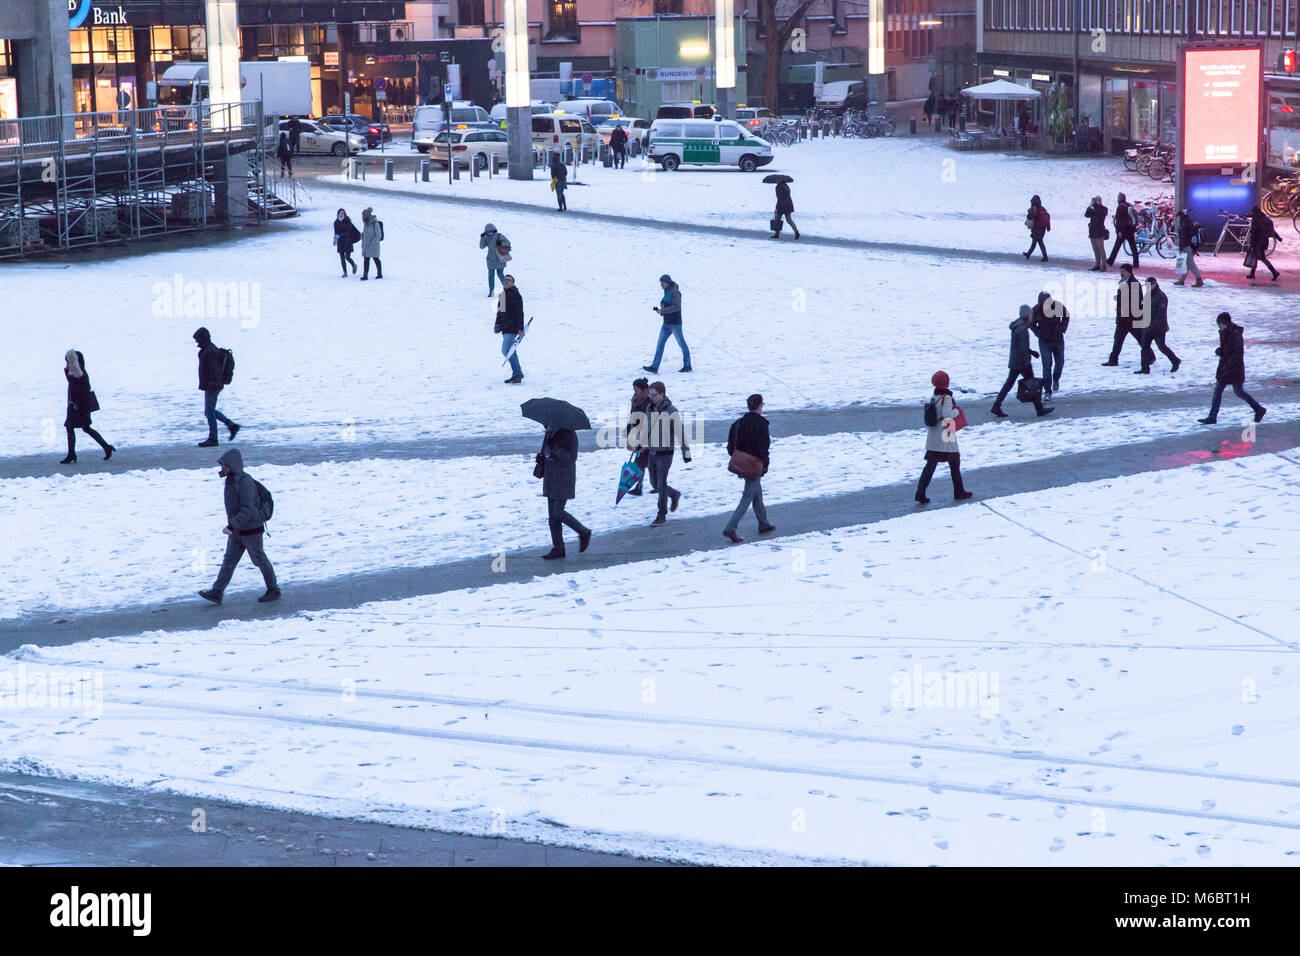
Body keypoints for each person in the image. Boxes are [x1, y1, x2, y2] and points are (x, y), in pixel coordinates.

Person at [198, 449, 279, 605]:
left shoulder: (245, 482)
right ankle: (217, 592)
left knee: (259, 560)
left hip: (251, 530)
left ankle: (273, 589)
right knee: (229, 561)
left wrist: (231, 525)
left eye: (224, 465)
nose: (222, 469)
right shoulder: (231, 480)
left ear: (232, 465)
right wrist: (234, 527)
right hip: (237, 531)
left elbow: (249, 509)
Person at [722, 394, 775, 543]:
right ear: (760, 406)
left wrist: (738, 459)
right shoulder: (762, 424)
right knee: (747, 496)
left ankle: (763, 523)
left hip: (741, 464)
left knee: (756, 492)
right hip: (755, 465)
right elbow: (764, 448)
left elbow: (730, 445)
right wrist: (765, 465)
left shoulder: (738, 423)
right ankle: (730, 527)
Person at [1199, 312, 1266, 425]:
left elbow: (1237, 353)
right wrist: (1220, 350)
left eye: (1220, 324)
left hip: (1234, 369)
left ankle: (1258, 409)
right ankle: (1212, 416)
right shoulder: (1225, 332)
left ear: (1225, 323)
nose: (1219, 327)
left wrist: (1227, 366)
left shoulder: (1236, 334)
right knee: (1218, 391)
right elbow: (1227, 349)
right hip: (1226, 367)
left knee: (1239, 392)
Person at [916, 370, 973, 504]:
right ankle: (959, 492)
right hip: (946, 432)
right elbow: (947, 414)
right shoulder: (946, 398)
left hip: (934, 434)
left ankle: (920, 493)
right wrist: (957, 411)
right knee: (954, 462)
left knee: (930, 465)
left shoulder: (934, 396)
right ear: (946, 383)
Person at [537, 427, 591, 560]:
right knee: (552, 517)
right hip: (551, 477)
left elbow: (572, 456)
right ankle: (558, 547)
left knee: (557, 512)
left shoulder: (570, 434)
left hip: (563, 478)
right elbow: (547, 453)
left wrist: (554, 448)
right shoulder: (549, 434)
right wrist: (541, 457)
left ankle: (583, 531)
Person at [991, 305, 1053, 418]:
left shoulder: (1018, 326)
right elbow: (1022, 348)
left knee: (1009, 384)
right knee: (1033, 384)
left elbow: (1021, 346)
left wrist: (1031, 352)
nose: (1031, 317)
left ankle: (996, 405)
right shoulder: (1023, 330)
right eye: (1031, 315)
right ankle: (1039, 409)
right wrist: (1028, 359)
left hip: (1016, 361)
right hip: (1022, 362)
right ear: (1027, 316)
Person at [645, 381, 692, 526]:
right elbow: (647, 428)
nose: (651, 397)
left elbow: (680, 432)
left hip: (665, 453)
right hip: (651, 451)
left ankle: (661, 514)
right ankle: (674, 494)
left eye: (654, 395)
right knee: (655, 484)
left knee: (661, 483)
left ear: (662, 394)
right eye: (650, 395)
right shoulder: (649, 408)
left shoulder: (671, 411)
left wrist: (686, 452)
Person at [59, 349, 114, 464]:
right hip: (75, 406)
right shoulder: (75, 374)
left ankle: (72, 454)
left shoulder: (79, 375)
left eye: (68, 362)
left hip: (79, 407)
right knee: (82, 428)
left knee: (76, 427)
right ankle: (105, 447)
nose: (67, 364)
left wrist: (77, 406)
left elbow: (80, 391)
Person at [193, 326, 239, 448]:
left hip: (213, 385)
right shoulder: (207, 350)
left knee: (209, 411)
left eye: (197, 340)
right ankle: (231, 426)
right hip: (212, 384)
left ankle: (213, 438)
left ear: (203, 339)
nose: (196, 342)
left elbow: (215, 370)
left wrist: (212, 384)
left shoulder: (210, 351)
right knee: (210, 411)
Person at [643, 274, 692, 373]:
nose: (661, 285)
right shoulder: (666, 291)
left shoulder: (675, 292)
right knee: (660, 345)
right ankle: (654, 367)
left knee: (682, 344)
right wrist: (660, 310)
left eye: (662, 283)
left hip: (675, 324)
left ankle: (687, 365)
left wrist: (663, 311)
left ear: (667, 282)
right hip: (666, 323)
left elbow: (677, 307)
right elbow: (664, 302)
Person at [1102, 263, 1144, 367]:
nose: (1121, 273)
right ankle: (1113, 360)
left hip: (1131, 318)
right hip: (1123, 318)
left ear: (1129, 272)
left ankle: (1150, 356)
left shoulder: (1134, 284)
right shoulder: (1123, 282)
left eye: (1123, 271)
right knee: (1118, 339)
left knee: (1140, 339)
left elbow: (1136, 301)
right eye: (1121, 271)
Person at [1029, 290, 1069, 399]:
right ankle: (1048, 391)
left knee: (1060, 362)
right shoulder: (1036, 310)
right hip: (1044, 342)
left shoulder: (1057, 306)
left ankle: (1056, 378)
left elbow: (1066, 316)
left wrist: (1062, 328)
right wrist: (1038, 333)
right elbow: (1031, 324)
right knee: (1047, 365)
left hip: (1058, 340)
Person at [1137, 277, 1179, 374]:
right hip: (1147, 326)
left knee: (1161, 346)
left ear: (1154, 284)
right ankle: (1145, 368)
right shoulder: (1148, 295)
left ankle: (1175, 360)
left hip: (1158, 328)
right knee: (1144, 348)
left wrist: (1152, 326)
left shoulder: (1161, 296)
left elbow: (1161, 314)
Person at [625, 377, 652, 496]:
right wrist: (633, 404)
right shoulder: (638, 402)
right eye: (634, 390)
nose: (634, 393)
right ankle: (642, 486)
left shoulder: (650, 403)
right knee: (644, 462)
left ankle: (643, 486)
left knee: (642, 462)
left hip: (648, 438)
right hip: (640, 437)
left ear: (645, 391)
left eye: (636, 391)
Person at [495, 274, 525, 384]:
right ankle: (517, 373)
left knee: (506, 351)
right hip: (505, 328)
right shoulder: (502, 295)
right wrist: (497, 325)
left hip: (512, 328)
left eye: (509, 280)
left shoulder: (515, 295)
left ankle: (517, 373)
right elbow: (500, 312)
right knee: (512, 351)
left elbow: (519, 312)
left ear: (513, 283)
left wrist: (520, 329)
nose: (506, 281)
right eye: (505, 280)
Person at [1245, 205, 1281, 281]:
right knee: (1254, 256)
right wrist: (1278, 237)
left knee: (1262, 258)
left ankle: (1274, 272)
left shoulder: (1255, 220)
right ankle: (1252, 274)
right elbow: (1271, 230)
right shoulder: (1264, 218)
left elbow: (1253, 232)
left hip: (1257, 242)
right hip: (1264, 241)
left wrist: (1251, 244)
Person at [1107, 191, 1139, 268]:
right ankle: (1136, 263)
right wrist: (1133, 228)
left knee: (1116, 246)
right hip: (1130, 229)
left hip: (1123, 230)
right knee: (1133, 247)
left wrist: (1119, 231)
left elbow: (1119, 220)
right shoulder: (1129, 205)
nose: (1117, 199)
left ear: (1120, 199)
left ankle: (1110, 261)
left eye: (1118, 197)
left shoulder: (1121, 206)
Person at [1174, 209, 1204, 287]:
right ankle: (1182, 280)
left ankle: (1199, 279)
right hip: (1191, 246)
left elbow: (1183, 237)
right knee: (1187, 263)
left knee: (1190, 263)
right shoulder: (1189, 222)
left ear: (1180, 216)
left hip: (1186, 246)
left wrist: (1181, 248)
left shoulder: (1183, 224)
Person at [479, 223, 511, 296]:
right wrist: (482, 238)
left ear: (494, 230)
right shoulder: (486, 238)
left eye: (491, 231)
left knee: (500, 274)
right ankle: (491, 292)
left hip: (500, 259)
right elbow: (481, 247)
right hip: (491, 260)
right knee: (491, 276)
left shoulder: (499, 236)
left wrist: (501, 242)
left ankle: (508, 289)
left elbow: (508, 243)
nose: (490, 233)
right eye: (488, 232)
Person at [1085, 195, 1109, 272]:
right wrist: (1090, 206)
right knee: (1095, 249)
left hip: (1099, 231)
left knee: (1101, 249)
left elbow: (1100, 214)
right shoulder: (1093, 209)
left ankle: (1104, 266)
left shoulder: (1104, 209)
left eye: (1095, 201)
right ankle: (1097, 265)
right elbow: (1086, 215)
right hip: (1092, 231)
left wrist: (1096, 205)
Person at [333, 208, 359, 277]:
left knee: (347, 257)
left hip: (348, 241)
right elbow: (336, 232)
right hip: (340, 242)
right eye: (340, 213)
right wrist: (335, 239)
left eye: (342, 213)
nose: (341, 214)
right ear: (338, 214)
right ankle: (345, 272)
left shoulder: (347, 220)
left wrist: (340, 235)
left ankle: (354, 265)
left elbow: (348, 232)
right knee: (342, 257)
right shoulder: (336, 222)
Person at [1023, 194, 1049, 262]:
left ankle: (1045, 257)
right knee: (1035, 241)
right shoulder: (1042, 208)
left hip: (1037, 228)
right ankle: (1029, 254)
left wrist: (1029, 212)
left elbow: (1030, 216)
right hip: (1042, 228)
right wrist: (1048, 227)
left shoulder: (1035, 209)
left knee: (1039, 242)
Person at [360, 207, 383, 280]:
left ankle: (379, 274)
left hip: (373, 246)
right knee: (366, 260)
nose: (362, 217)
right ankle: (365, 276)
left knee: (376, 259)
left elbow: (378, 235)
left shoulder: (374, 223)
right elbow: (366, 233)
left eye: (363, 216)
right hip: (366, 245)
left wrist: (372, 243)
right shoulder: (366, 223)